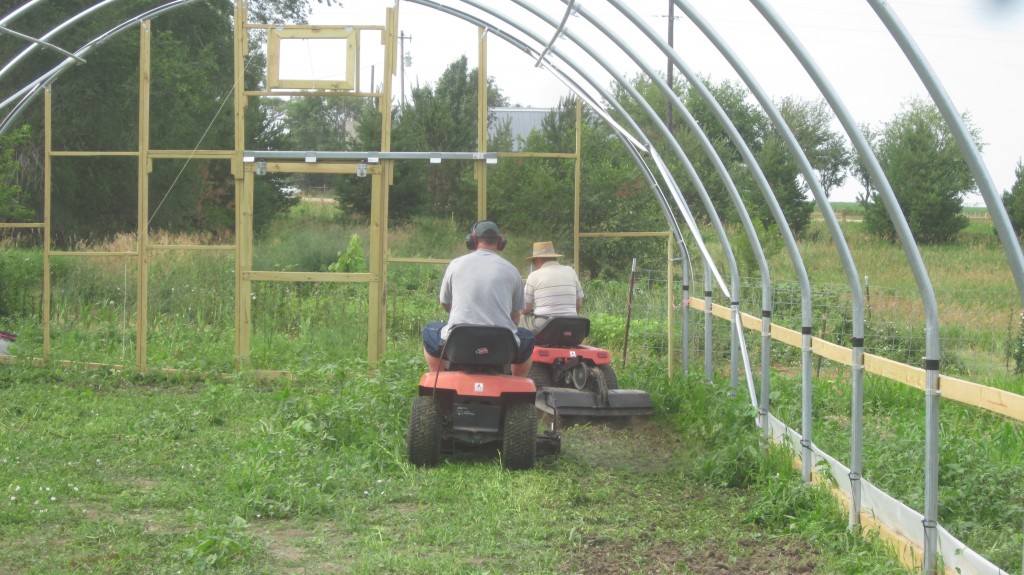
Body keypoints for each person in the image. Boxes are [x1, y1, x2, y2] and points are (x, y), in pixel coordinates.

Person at [422, 220, 535, 377]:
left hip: (460, 340)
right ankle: (518, 381)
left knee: (430, 330)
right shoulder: (512, 271)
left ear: (472, 240)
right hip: (501, 344)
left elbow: (445, 302)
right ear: (501, 241)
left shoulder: (456, 264)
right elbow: (515, 318)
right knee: (527, 337)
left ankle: (438, 378)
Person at [520, 241, 584, 334]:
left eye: (534, 262)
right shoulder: (571, 271)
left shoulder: (534, 275)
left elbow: (525, 309)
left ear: (538, 259)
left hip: (545, 325)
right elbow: (578, 304)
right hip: (572, 324)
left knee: (520, 318)